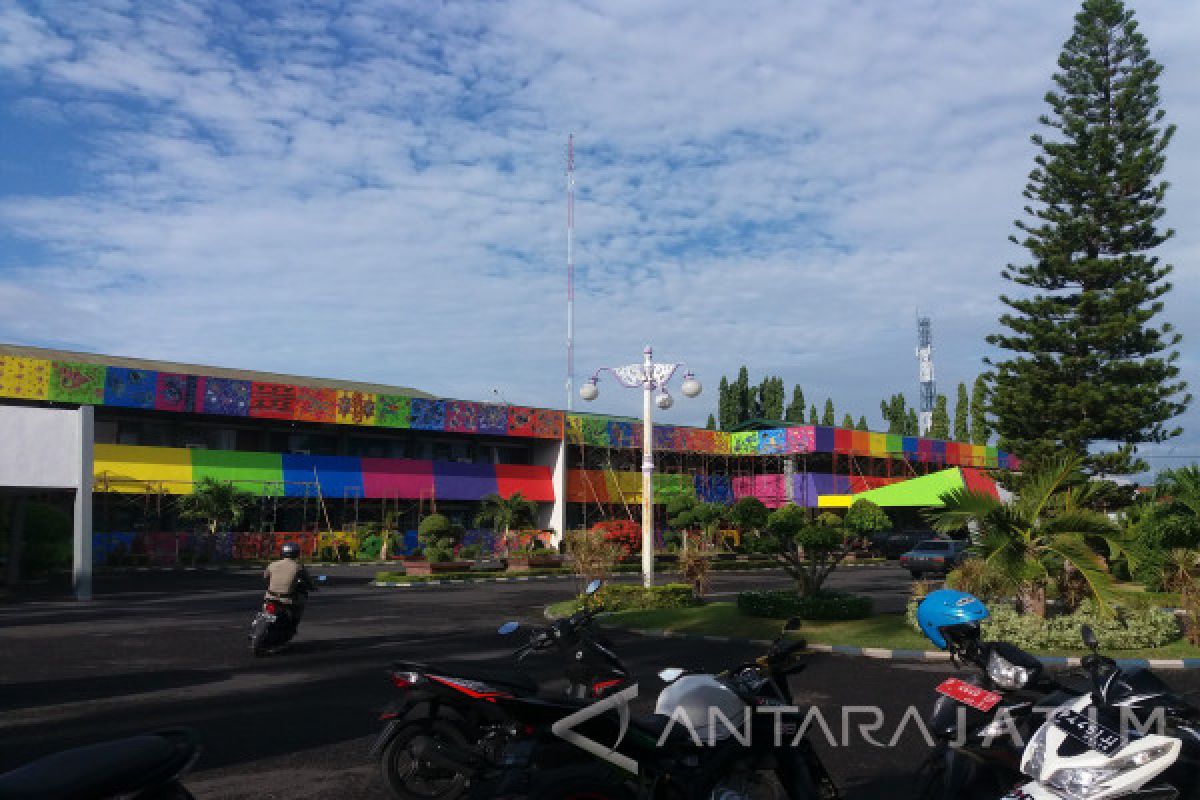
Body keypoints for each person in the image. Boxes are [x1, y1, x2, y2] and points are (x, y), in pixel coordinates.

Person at [263, 542, 314, 626]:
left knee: (265, 610)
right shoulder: (298, 567)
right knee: (300, 605)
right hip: (287, 599)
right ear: (297, 553)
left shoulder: (272, 564)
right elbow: (308, 580)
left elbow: (265, 577)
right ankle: (293, 624)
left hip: (270, 596)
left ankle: (259, 621)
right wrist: (313, 587)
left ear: (282, 553)